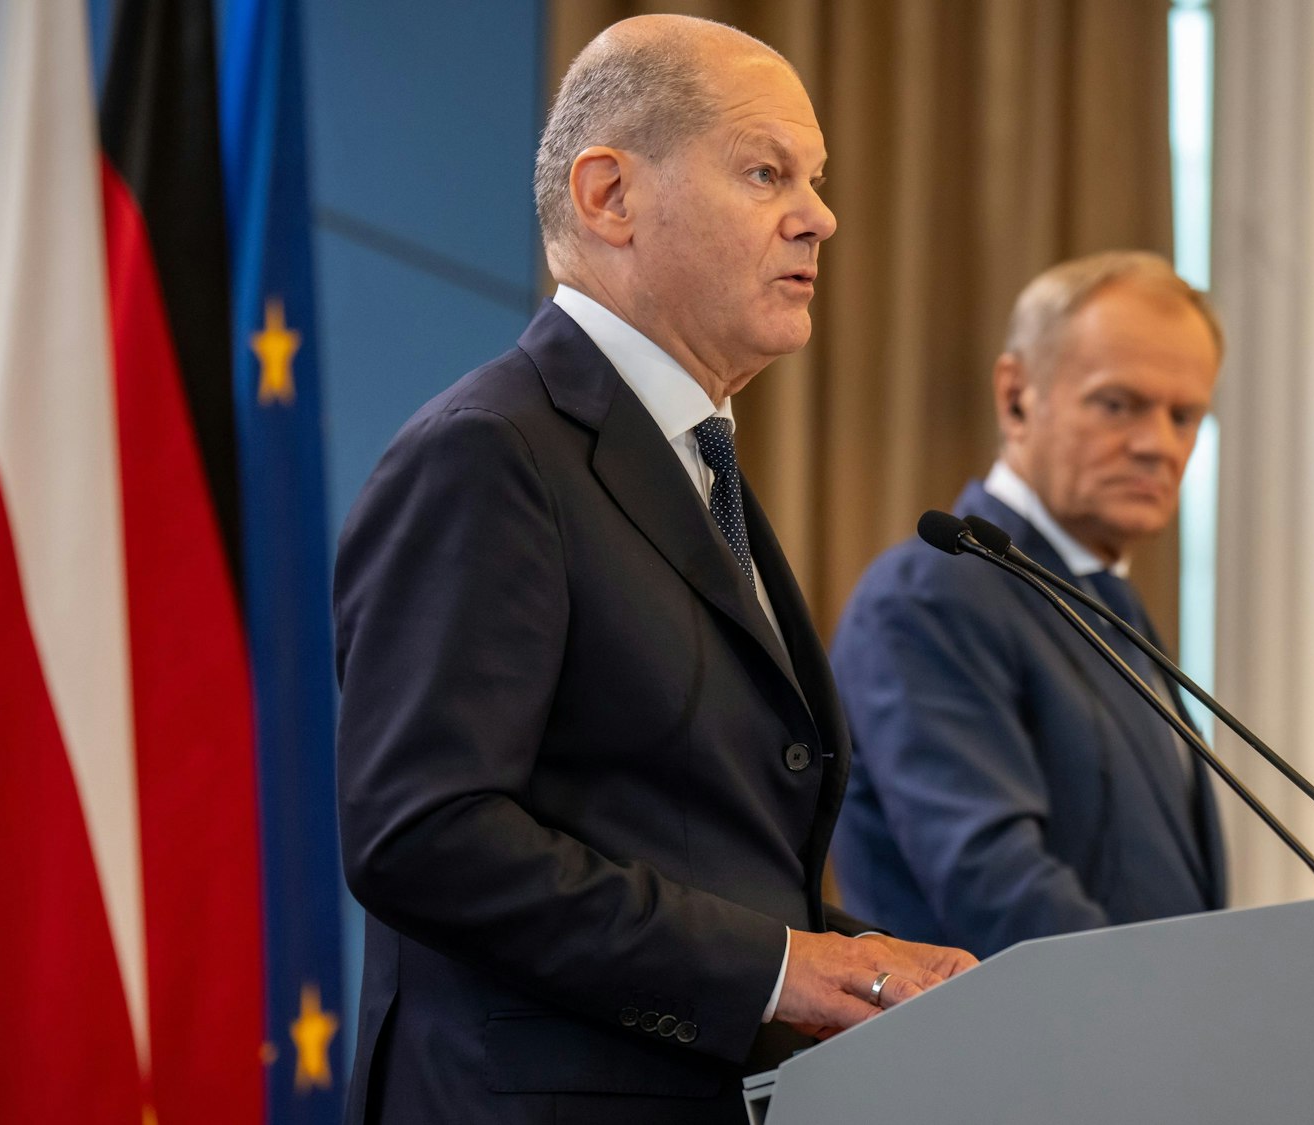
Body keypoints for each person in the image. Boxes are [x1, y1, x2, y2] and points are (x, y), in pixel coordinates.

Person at [332, 16, 975, 1124]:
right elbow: (424, 834)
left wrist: (853, 961)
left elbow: (689, 847)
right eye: (766, 172)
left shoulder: (692, 462)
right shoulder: (489, 453)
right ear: (609, 196)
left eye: (816, 180)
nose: (819, 217)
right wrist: (783, 966)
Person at [830, 251, 1229, 959]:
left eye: (1184, 415)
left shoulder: (1105, 599)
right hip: (1003, 1030)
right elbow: (994, 882)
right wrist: (1172, 1008)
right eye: (1118, 404)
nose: (1159, 446)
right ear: (1016, 397)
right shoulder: (932, 595)